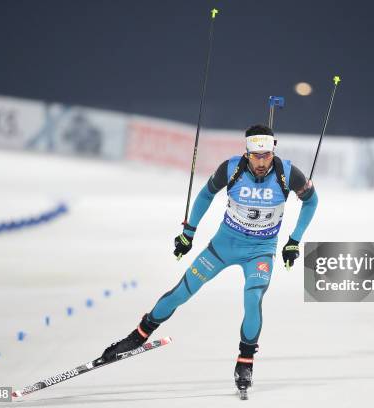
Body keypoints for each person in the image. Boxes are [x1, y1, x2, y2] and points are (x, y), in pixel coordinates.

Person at [101, 124, 318, 391]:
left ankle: (245, 361)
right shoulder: (231, 168)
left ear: (273, 151)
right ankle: (138, 335)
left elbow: (311, 201)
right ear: (246, 153)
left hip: (260, 251)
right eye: (255, 156)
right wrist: (188, 234)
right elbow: (205, 194)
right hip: (223, 246)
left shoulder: (287, 172)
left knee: (253, 298)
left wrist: (294, 240)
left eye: (266, 156)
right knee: (182, 292)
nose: (261, 162)